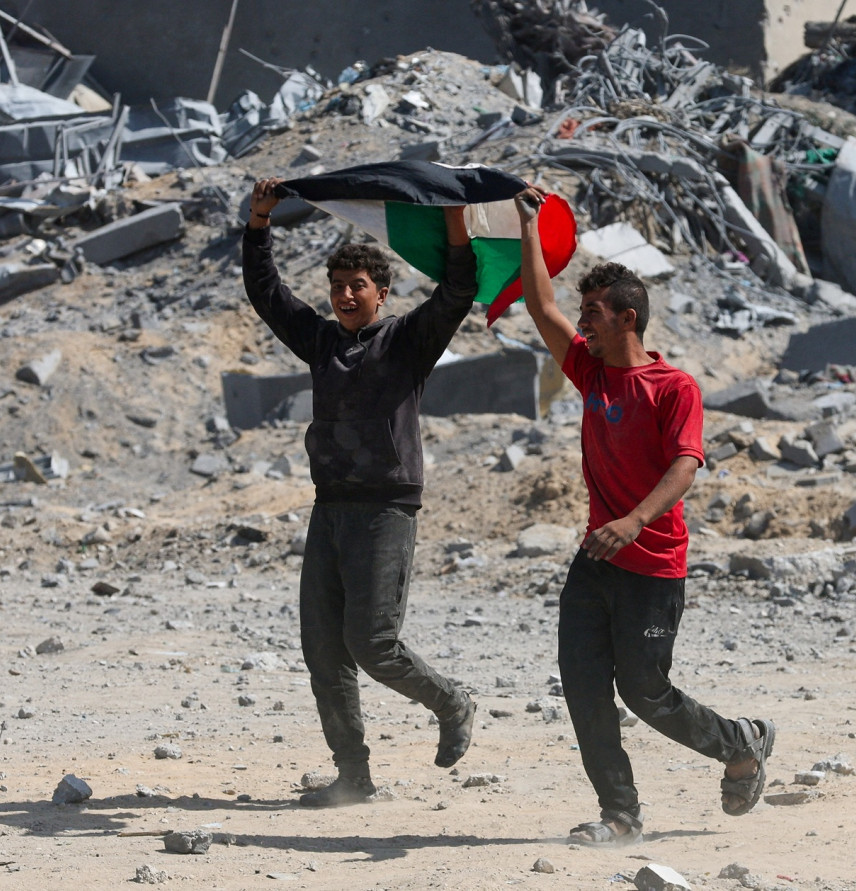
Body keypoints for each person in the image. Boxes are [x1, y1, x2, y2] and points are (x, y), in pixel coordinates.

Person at [513, 185, 775, 845]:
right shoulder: (590, 372)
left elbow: (686, 465)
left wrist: (633, 520)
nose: (583, 323)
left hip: (653, 566)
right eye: (583, 312)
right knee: (583, 687)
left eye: (594, 312)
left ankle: (739, 743)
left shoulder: (673, 387)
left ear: (627, 317)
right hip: (595, 560)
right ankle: (619, 814)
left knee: (645, 690)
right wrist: (527, 224)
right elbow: (540, 305)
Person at [240, 178, 477, 808]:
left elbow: (458, 290)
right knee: (324, 651)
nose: (346, 295)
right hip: (331, 508)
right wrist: (259, 222)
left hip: (386, 509)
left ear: (382, 293)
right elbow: (267, 294)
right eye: (338, 286)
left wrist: (455, 220)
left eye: (358, 286)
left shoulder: (408, 340)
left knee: (373, 643)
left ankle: (451, 700)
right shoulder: (322, 342)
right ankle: (353, 776)